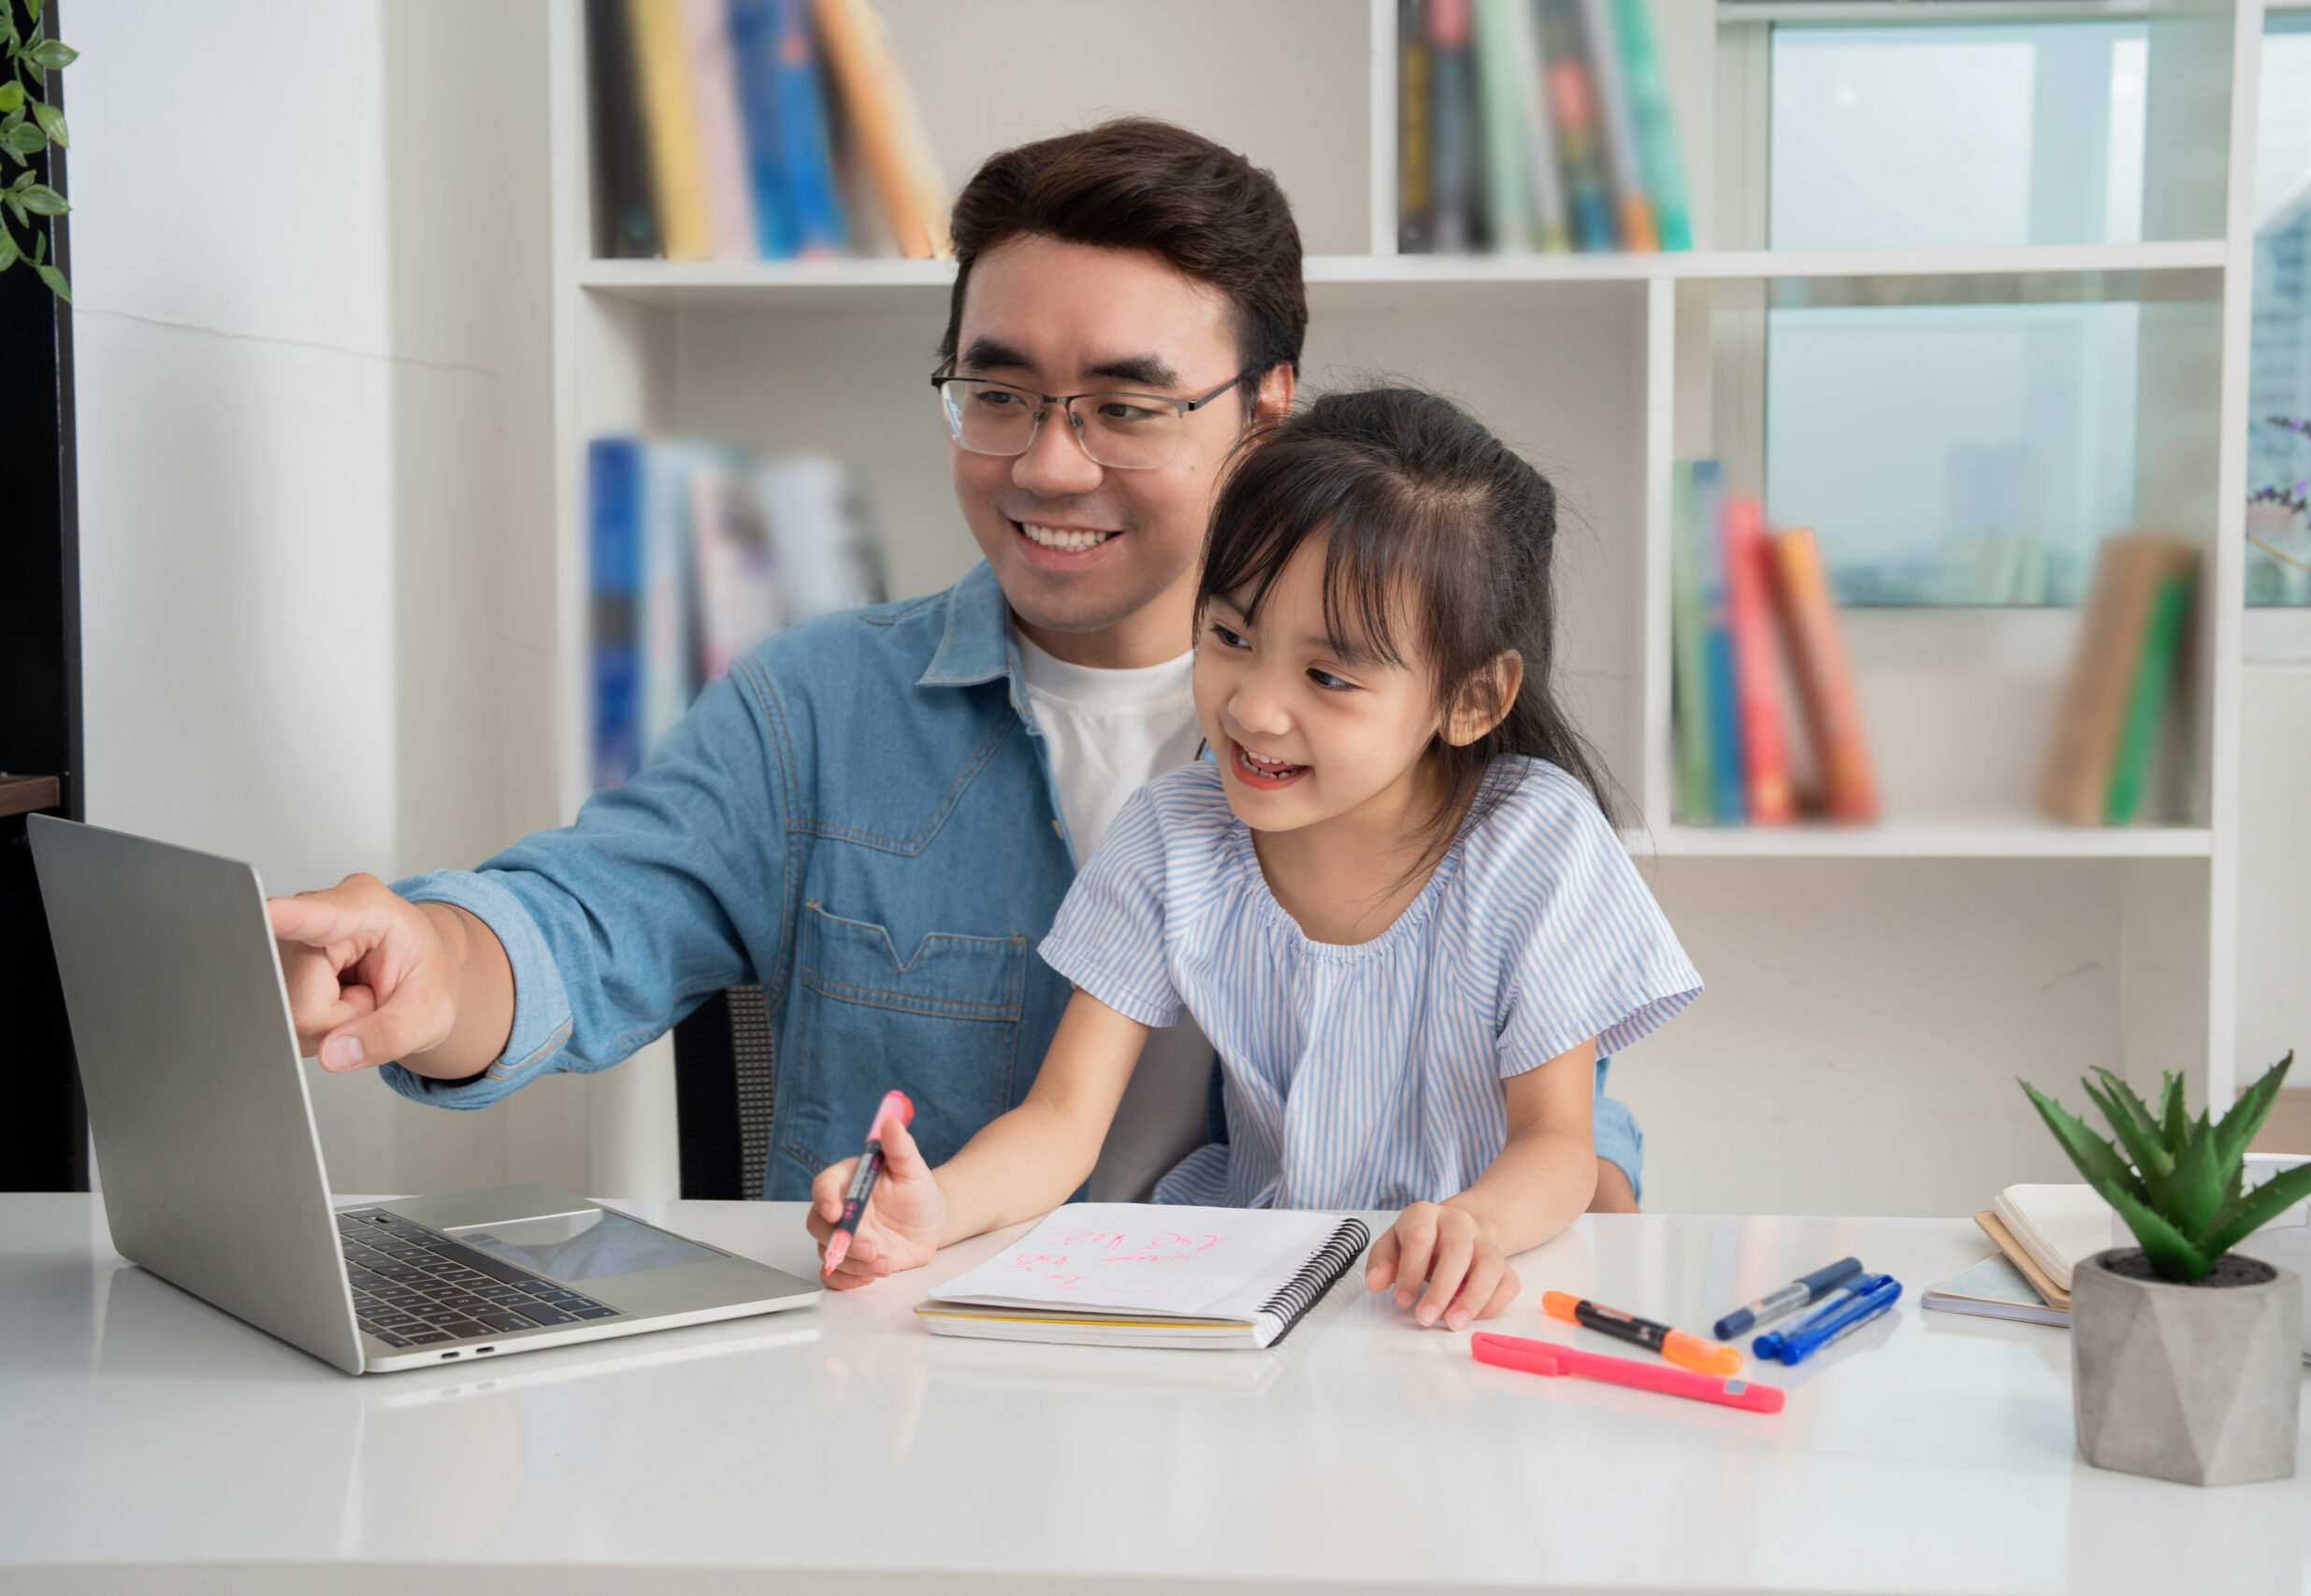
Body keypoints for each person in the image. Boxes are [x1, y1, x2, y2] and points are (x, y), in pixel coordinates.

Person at [265, 117, 1648, 1211]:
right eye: (998, 394)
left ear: (1264, 414)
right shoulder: (812, 709)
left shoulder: (1420, 755)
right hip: (918, 1403)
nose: (1049, 462)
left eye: (1125, 404)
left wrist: (1525, 1208)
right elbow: (585, 918)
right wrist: (435, 965)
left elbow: (1562, 1128)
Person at [805, 387, 1699, 1329]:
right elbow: (1061, 1124)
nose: (1252, 708)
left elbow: (1559, 1143)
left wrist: (1472, 1225)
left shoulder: (1535, 843)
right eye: (1230, 636)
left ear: (1471, 700)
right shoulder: (1172, 835)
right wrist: (933, 1211)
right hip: (1253, 1287)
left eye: (1327, 675)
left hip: (1463, 1297)